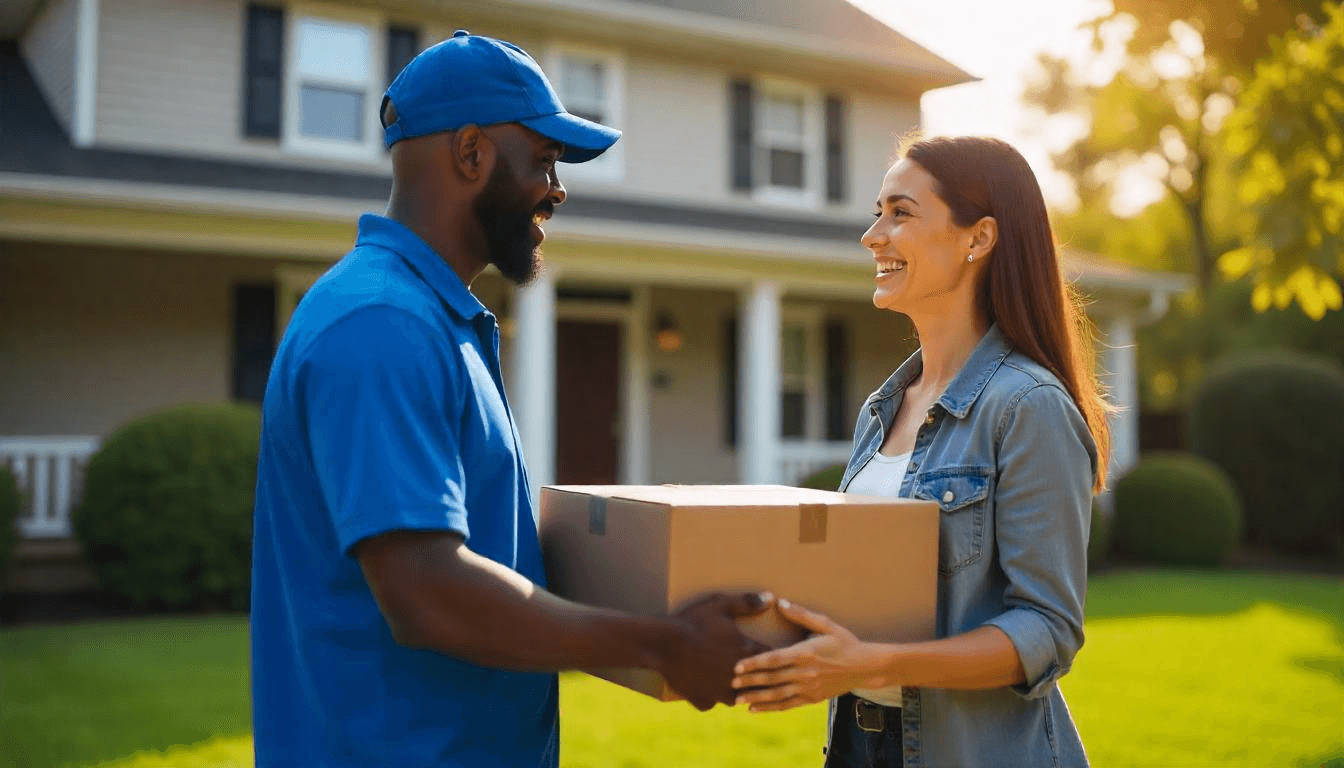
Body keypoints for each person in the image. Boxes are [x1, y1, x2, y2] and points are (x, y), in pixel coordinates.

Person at [249, 31, 772, 768]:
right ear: (471, 154)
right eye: (545, 161)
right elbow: (425, 590)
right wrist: (665, 645)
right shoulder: (381, 325)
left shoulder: (431, 318)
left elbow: (494, 556)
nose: (557, 189)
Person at [731, 135, 1111, 768]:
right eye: (877, 211)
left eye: (900, 213)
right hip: (861, 742)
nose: (872, 235)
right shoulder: (884, 408)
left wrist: (878, 663)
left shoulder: (1027, 407)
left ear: (978, 238)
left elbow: (1047, 630)